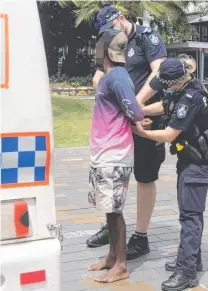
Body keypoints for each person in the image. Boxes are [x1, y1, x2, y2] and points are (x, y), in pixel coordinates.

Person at [87, 6, 168, 260]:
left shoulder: (147, 37)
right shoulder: (108, 42)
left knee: (145, 175)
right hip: (121, 120)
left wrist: (135, 103)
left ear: (121, 19)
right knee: (114, 173)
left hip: (145, 117)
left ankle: (141, 236)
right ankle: (113, 226)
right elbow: (98, 76)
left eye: (112, 28)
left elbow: (160, 72)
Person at [132, 57, 208, 291]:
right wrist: (138, 110)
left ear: (177, 81)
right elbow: (164, 105)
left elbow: (169, 134)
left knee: (190, 216)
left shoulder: (192, 98)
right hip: (189, 159)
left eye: (166, 85)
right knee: (189, 213)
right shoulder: (184, 88)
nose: (164, 89)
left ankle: (187, 272)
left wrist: (140, 133)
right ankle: (192, 260)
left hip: (197, 163)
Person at [88, 29, 144, 283]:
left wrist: (136, 117)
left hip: (115, 153)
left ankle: (121, 265)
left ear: (106, 51)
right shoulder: (111, 77)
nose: (95, 52)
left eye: (98, 47)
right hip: (104, 153)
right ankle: (112, 256)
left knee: (115, 210)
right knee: (109, 209)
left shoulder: (118, 77)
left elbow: (136, 111)